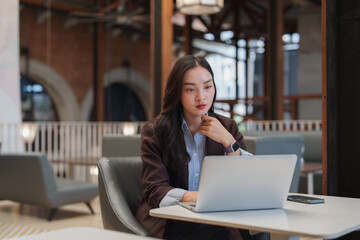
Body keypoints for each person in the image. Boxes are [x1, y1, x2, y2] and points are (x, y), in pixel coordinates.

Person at [136, 55, 267, 240]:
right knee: (213, 231)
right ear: (177, 92)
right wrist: (196, 197)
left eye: (208, 86)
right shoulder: (156, 131)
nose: (201, 97)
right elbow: (154, 189)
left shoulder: (227, 127)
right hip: (172, 218)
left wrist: (229, 142)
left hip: (219, 216)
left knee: (263, 229)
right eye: (191, 89)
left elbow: (249, 180)